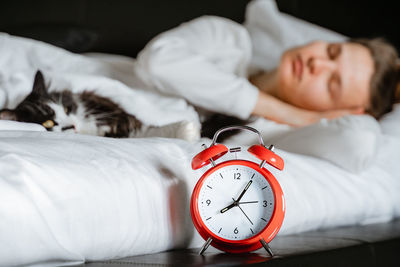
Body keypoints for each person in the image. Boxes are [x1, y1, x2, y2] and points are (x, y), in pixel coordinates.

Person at [133, 16, 399, 127]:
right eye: (331, 52)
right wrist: (286, 112)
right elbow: (157, 63)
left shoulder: (278, 142)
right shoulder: (228, 41)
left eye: (332, 83)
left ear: (339, 112)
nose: (317, 64)